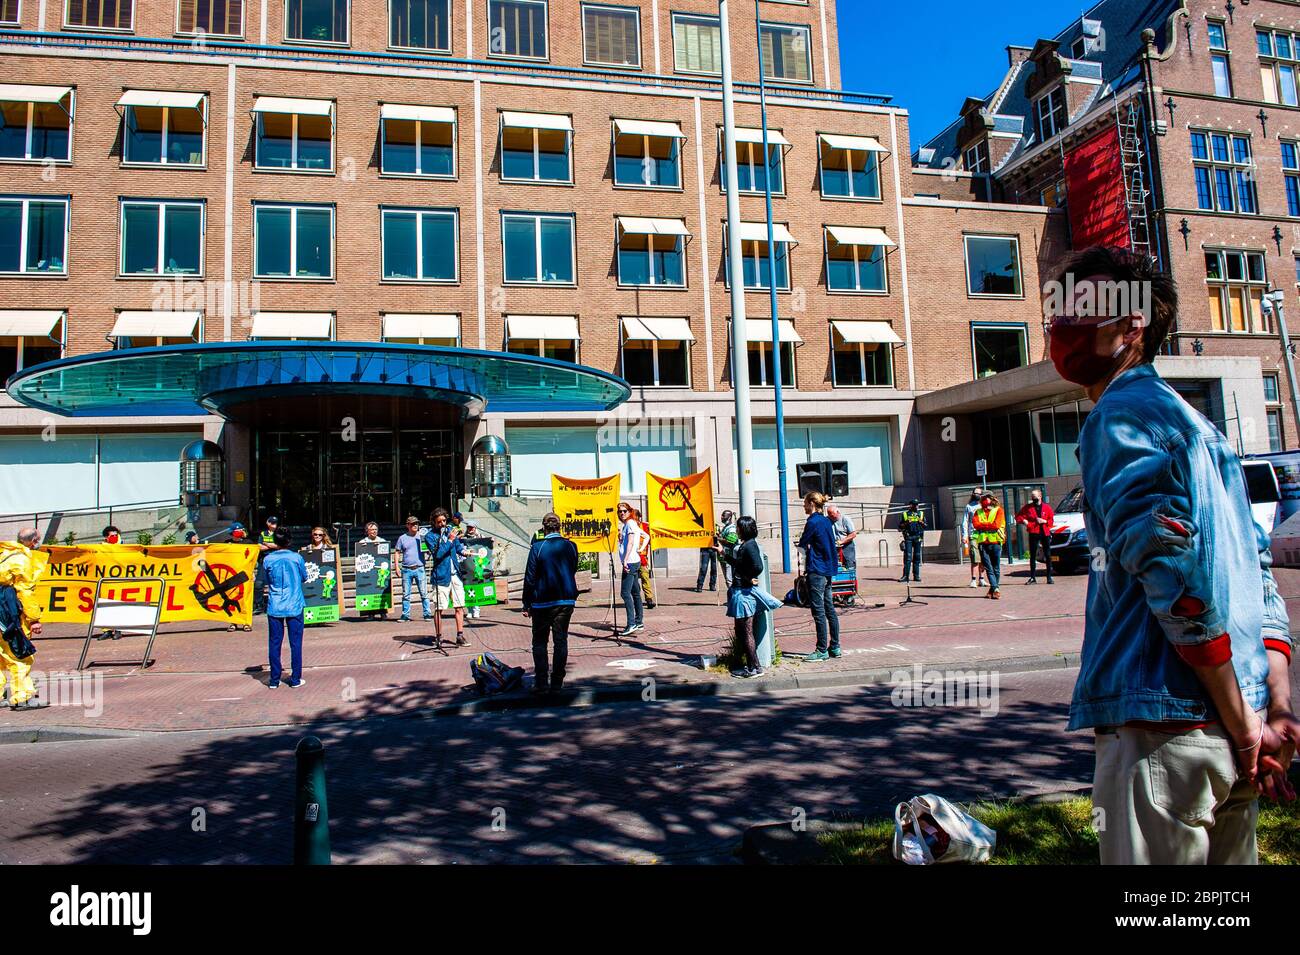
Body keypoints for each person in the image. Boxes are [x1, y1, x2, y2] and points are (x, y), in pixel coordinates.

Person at [1051, 245, 1299, 864]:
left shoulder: (1120, 417)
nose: (1060, 322)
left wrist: (1246, 722)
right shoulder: (1200, 426)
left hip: (1167, 727)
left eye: (1082, 307)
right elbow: (1256, 570)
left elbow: (1174, 577)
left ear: (1131, 325)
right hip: (1234, 728)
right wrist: (1275, 707)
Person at [717, 516, 781, 679]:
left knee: (746, 631)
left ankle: (755, 668)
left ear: (743, 529)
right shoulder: (746, 544)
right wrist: (723, 551)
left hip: (743, 593)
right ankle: (753, 665)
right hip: (742, 591)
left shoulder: (749, 546)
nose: (736, 530)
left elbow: (757, 566)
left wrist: (747, 577)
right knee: (742, 630)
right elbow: (739, 563)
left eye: (738, 528)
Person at [522, 512, 578, 696]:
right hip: (566, 599)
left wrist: (526, 602)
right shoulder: (571, 546)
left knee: (540, 642)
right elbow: (573, 568)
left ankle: (541, 682)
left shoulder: (537, 547)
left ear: (543, 528)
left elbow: (530, 578)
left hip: (542, 601)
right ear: (559, 527)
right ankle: (557, 682)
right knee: (560, 640)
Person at [0, 528, 50, 710]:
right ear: (34, 540)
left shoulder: (3, 553)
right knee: (20, 655)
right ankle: (23, 697)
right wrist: (34, 619)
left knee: (1, 655)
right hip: (6, 612)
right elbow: (25, 591)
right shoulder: (20, 559)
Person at [797, 491, 841, 661]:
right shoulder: (826, 521)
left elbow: (802, 544)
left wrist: (804, 551)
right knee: (829, 608)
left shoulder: (812, 522)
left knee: (818, 611)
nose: (804, 506)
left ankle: (821, 649)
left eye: (805, 503)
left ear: (812, 504)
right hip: (828, 569)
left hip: (816, 569)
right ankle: (835, 646)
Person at [263, 526, 307, 689]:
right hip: (294, 603)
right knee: (295, 643)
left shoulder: (268, 559)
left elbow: (267, 579)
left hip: (275, 604)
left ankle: (274, 680)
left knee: (274, 642)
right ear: (289, 541)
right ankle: (295, 678)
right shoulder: (296, 558)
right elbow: (304, 576)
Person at [427, 507, 468, 646]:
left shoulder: (451, 531)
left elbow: (457, 547)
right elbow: (438, 554)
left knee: (459, 606)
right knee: (440, 607)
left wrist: (464, 551)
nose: (443, 524)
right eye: (439, 522)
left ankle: (460, 635)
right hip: (441, 576)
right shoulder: (430, 536)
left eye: (444, 520)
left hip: (455, 574)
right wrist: (450, 540)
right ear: (434, 522)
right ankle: (438, 636)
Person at [395, 516, 432, 622]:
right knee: (406, 594)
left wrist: (429, 551)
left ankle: (427, 613)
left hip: (420, 568)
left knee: (424, 592)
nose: (415, 525)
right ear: (407, 525)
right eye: (412, 524)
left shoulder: (422, 536)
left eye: (416, 523)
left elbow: (429, 549)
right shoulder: (402, 538)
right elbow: (397, 552)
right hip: (406, 569)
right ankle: (405, 615)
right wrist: (397, 566)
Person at [617, 501, 646, 636]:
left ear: (629, 512)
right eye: (620, 511)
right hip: (634, 561)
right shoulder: (631, 524)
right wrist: (640, 549)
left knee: (625, 593)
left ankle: (631, 623)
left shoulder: (629, 524)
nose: (622, 513)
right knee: (635, 592)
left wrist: (626, 560)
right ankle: (639, 621)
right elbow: (646, 536)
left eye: (624, 511)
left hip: (630, 562)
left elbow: (631, 542)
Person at [1015, 490, 1055, 585]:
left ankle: (1049, 577)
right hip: (1033, 531)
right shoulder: (1028, 507)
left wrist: (1044, 521)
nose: (1033, 498)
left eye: (1035, 496)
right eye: (1032, 496)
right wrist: (1025, 521)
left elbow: (1051, 520)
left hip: (1045, 532)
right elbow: (1018, 517)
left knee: (1048, 555)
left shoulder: (1046, 507)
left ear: (1040, 496)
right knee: (1032, 555)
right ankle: (1033, 577)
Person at [970, 492, 1005, 600]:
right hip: (983, 543)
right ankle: (996, 589)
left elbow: (997, 525)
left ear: (991, 499)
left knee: (996, 568)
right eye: (982, 499)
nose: (983, 501)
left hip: (995, 543)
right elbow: (975, 524)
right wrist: (989, 526)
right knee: (989, 568)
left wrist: (983, 526)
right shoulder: (978, 512)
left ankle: (993, 590)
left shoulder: (998, 510)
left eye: (985, 498)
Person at [358, 521, 390, 621]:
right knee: (369, 590)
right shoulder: (362, 542)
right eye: (372, 529)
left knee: (381, 591)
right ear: (367, 531)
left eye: (376, 529)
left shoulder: (382, 541)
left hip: (380, 571)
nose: (374, 531)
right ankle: (370, 614)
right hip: (369, 572)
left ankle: (383, 613)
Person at [960, 488, 986, 588]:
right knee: (975, 558)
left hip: (983, 535)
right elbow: (965, 522)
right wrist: (964, 535)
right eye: (975, 493)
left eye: (978, 493)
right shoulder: (969, 506)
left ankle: (982, 579)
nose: (976, 495)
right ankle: (973, 580)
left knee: (983, 558)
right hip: (972, 534)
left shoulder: (983, 506)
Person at [254, 515, 278, 615]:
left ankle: (275, 605)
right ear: (267, 523)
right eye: (272, 523)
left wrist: (267, 544)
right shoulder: (263, 533)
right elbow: (259, 547)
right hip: (263, 561)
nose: (274, 525)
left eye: (275, 523)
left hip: (276, 561)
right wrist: (272, 546)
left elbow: (279, 545)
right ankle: (259, 606)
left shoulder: (279, 533)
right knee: (258, 584)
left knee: (276, 584)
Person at [826, 502, 858, 580]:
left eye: (832, 515)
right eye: (829, 515)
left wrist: (842, 541)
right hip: (834, 547)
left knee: (849, 566)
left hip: (847, 547)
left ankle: (851, 584)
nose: (831, 517)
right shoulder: (827, 520)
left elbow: (853, 534)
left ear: (838, 512)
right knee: (835, 567)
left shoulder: (845, 519)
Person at [897, 499, 925, 583]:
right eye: (915, 505)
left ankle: (916, 576)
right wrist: (906, 523)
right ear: (911, 505)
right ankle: (905, 576)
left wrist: (921, 522)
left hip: (917, 537)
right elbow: (900, 526)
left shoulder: (921, 514)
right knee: (908, 557)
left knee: (917, 557)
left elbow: (925, 525)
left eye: (917, 505)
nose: (917, 506)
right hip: (908, 537)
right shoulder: (905, 514)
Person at [635, 508, 656, 609]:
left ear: (640, 518)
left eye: (636, 518)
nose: (635, 520)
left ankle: (649, 599)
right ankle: (636, 598)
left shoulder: (646, 526)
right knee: (633, 581)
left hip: (643, 558)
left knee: (645, 578)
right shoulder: (630, 527)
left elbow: (652, 539)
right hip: (632, 558)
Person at [463, 520, 482, 620]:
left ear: (475, 528)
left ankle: (476, 609)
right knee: (468, 588)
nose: (470, 529)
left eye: (472, 527)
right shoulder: (463, 538)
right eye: (468, 527)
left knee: (477, 589)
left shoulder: (480, 537)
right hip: (466, 567)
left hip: (477, 566)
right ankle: (469, 610)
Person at [715, 510, 738, 588]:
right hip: (723, 557)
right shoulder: (725, 527)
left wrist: (718, 539)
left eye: (723, 516)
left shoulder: (732, 528)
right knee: (728, 580)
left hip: (729, 557)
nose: (721, 517)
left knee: (730, 580)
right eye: (721, 515)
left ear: (729, 517)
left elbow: (730, 542)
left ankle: (733, 598)